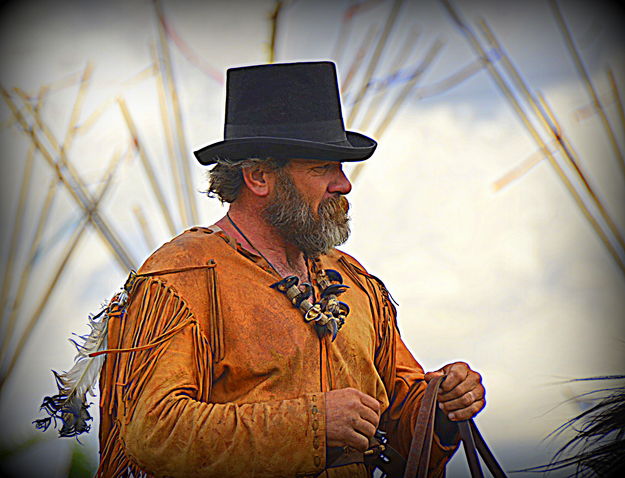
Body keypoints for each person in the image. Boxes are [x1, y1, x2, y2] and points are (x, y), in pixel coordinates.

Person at [94, 61, 485, 477]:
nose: (343, 184)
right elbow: (153, 433)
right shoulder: (182, 275)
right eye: (321, 168)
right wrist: (313, 425)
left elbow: (398, 427)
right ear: (259, 176)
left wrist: (442, 405)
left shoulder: (353, 282)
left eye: (341, 167)